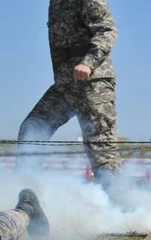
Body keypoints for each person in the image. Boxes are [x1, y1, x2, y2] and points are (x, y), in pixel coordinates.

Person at [15, 0, 122, 192]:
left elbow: (107, 30)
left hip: (93, 82)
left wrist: (88, 63)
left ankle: (124, 214)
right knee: (32, 128)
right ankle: (27, 200)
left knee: (102, 153)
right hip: (65, 84)